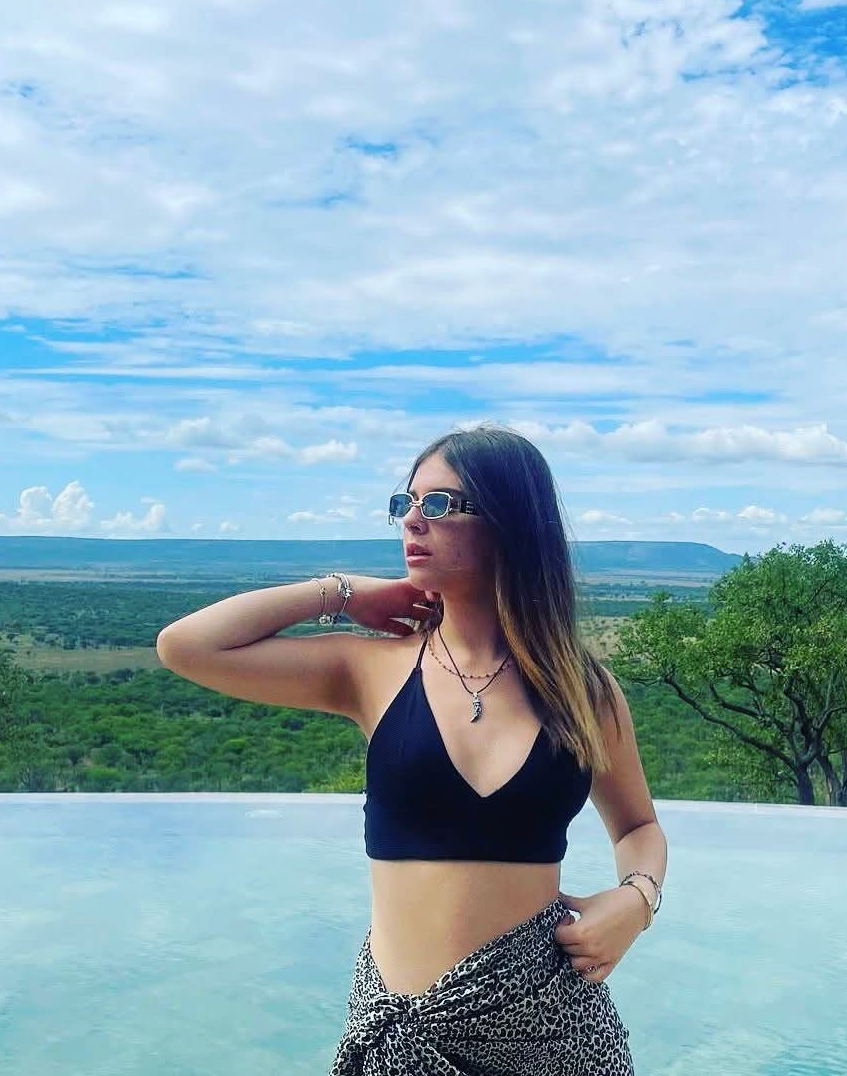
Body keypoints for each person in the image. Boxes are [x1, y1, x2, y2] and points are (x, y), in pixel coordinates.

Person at [156, 423, 667, 1075]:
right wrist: (343, 592)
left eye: (441, 504)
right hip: (402, 1037)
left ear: (510, 522)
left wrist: (637, 899)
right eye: (406, 502)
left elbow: (638, 826)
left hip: (553, 1031)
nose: (412, 521)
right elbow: (186, 647)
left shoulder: (581, 689)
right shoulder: (371, 670)